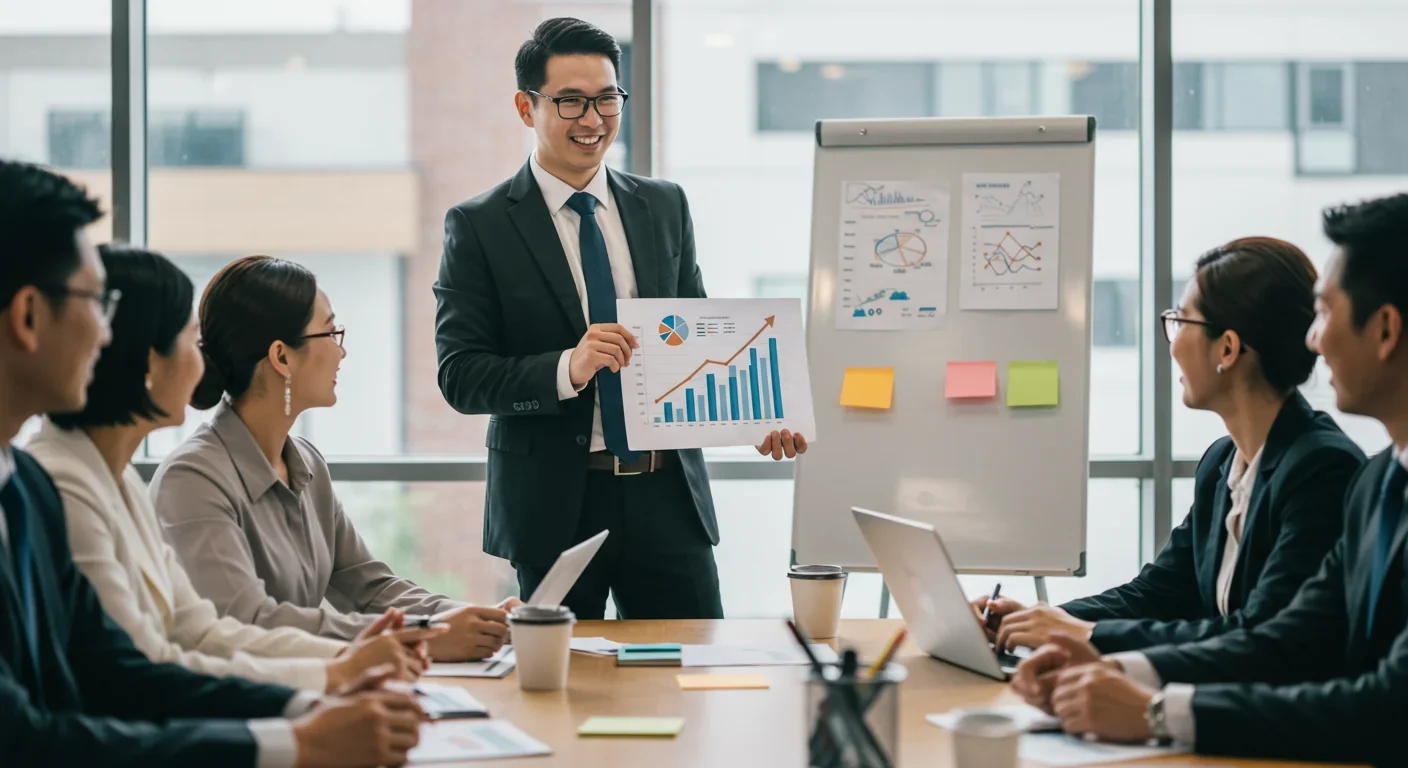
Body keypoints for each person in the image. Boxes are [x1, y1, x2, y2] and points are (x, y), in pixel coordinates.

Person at [0, 159, 422, 766]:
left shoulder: (31, 486)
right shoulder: (73, 483)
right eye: (96, 303)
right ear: (28, 316)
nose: (103, 331)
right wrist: (298, 736)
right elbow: (39, 730)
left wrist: (318, 699)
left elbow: (126, 666)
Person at [1011, 194, 1408, 767]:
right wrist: (1104, 666)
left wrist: (1152, 708)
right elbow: (1286, 637)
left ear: (1386, 329)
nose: (1314, 341)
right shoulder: (1377, 484)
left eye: (1326, 313)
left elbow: (1384, 703)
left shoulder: (1329, 469)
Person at [434, 17, 805, 621]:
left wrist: (756, 413)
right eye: (571, 101)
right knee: (562, 685)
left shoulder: (663, 205)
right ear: (527, 108)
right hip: (555, 505)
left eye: (607, 97)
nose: (593, 118)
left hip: (667, 495)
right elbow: (461, 376)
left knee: (690, 679)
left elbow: (696, 331)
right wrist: (568, 367)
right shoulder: (479, 226)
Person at [27, 243, 442, 694]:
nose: (202, 359)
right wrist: (343, 671)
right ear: (147, 362)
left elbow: (201, 632)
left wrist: (353, 660)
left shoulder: (119, 478)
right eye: (189, 338)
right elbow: (154, 662)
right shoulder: (90, 483)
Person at [976, 238, 1364, 653]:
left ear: (1228, 349)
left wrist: (1081, 635)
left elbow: (1260, 636)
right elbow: (1158, 593)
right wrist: (1033, 621)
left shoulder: (1322, 470)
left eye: (1182, 321)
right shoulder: (1222, 463)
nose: (1172, 342)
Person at [150, 254, 517, 661]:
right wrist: (421, 636)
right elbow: (246, 622)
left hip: (313, 689)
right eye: (331, 333)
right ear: (282, 357)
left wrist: (467, 618)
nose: (341, 353)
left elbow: (368, 587)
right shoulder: (192, 479)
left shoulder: (305, 462)